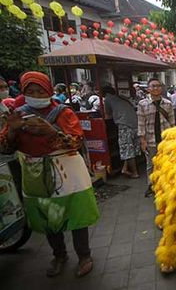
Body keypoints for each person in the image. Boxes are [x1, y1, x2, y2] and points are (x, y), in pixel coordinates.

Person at [0, 71, 99, 277]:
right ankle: (59, 255)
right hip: (35, 174)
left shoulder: (63, 112)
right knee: (48, 217)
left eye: (40, 90)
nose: (35, 95)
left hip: (67, 171)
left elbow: (77, 141)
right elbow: (5, 149)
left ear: (49, 90)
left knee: (77, 214)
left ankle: (84, 256)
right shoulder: (17, 115)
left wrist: (51, 131)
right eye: (30, 91)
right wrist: (12, 130)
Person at [137, 78, 175, 196]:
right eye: (153, 86)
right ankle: (152, 185)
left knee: (166, 163)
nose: (156, 88)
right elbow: (141, 123)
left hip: (166, 140)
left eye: (158, 86)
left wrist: (174, 138)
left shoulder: (168, 104)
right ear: (148, 89)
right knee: (151, 164)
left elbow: (172, 123)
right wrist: (142, 140)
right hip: (150, 140)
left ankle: (165, 185)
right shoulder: (142, 104)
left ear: (161, 88)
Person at [103, 84, 140, 178]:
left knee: (127, 149)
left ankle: (134, 173)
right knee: (132, 148)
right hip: (135, 123)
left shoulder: (108, 99)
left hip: (124, 125)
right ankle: (125, 168)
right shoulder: (121, 97)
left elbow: (107, 115)